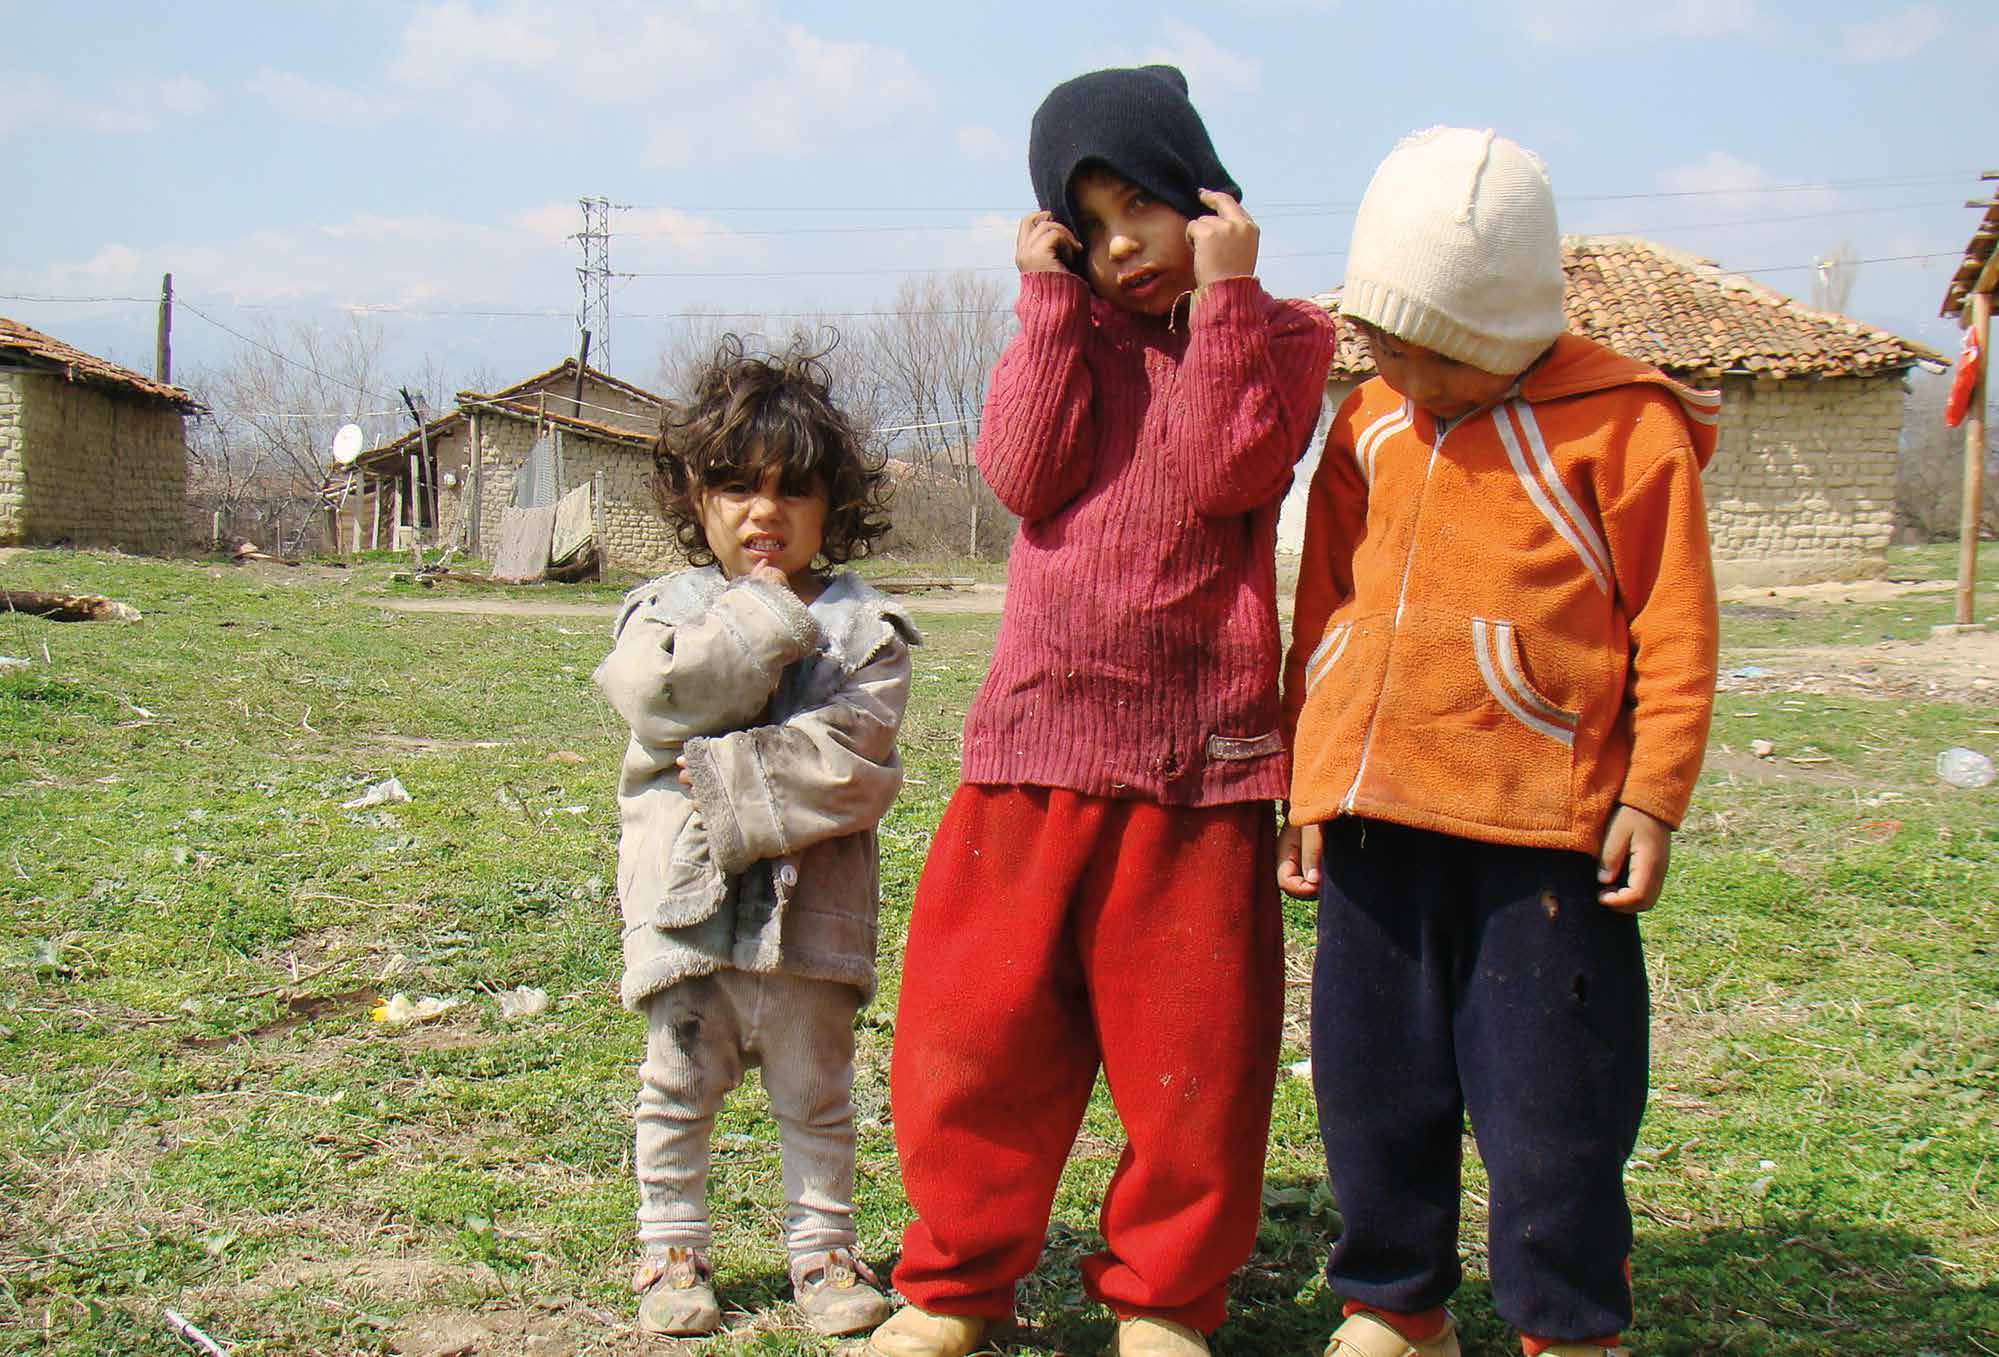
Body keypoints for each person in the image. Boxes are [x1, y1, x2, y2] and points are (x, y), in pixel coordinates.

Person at [868, 65, 1337, 1357]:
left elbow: (1219, 471)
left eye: (1144, 201)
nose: (1124, 242)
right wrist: (1044, 307)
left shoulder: (1282, 335)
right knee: (975, 1042)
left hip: (1196, 766)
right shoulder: (1062, 332)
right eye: (1091, 217)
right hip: (1032, 743)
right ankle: (953, 1286)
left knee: (1194, 1064)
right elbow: (1020, 475)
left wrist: (1226, 298)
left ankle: (1166, 1300)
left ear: (1206, 196)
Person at [1279, 127, 1720, 1357]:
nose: (1408, 375)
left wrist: (1654, 789)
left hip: (1543, 835)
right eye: (1386, 344)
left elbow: (1674, 625)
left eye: (1440, 352)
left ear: (1509, 324)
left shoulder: (1623, 429)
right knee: (1372, 1091)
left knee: (1553, 1106)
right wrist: (1311, 776)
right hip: (1376, 818)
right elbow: (1325, 614)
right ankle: (1396, 1307)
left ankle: (1568, 1322)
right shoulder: (1365, 423)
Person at [593, 335, 917, 1339]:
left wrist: (714, 765)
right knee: (677, 1085)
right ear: (695, 499)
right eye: (735, 487)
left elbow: (851, 760)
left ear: (835, 505)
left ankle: (822, 1252)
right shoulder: (661, 614)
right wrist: (757, 624)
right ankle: (672, 1249)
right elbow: (657, 698)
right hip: (685, 907)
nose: (763, 513)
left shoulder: (868, 632)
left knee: (816, 1094)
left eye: (792, 491)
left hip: (812, 920)